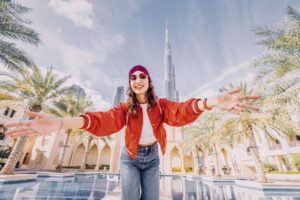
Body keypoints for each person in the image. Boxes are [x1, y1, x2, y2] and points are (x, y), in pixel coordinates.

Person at [4, 65, 260, 200]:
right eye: (133, 77)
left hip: (152, 160)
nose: (138, 79)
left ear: (149, 81)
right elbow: (102, 121)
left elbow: (182, 112)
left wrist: (210, 102)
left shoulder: (162, 106)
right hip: (129, 158)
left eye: (142, 75)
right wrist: (60, 123)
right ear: (130, 83)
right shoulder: (126, 108)